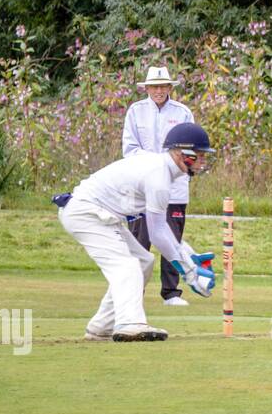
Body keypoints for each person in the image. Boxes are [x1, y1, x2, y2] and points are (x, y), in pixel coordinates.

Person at [57, 124, 217, 341]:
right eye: (199, 155)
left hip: (99, 215)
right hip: (85, 213)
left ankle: (102, 326)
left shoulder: (161, 171)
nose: (202, 162)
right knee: (127, 265)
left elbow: (160, 226)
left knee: (143, 261)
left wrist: (189, 255)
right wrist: (189, 271)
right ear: (183, 155)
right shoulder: (159, 177)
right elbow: (157, 233)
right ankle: (129, 323)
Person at [123, 66, 195, 307]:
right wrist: (155, 167)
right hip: (142, 187)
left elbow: (189, 149)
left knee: (171, 238)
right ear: (147, 88)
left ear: (170, 88)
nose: (159, 91)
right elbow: (130, 150)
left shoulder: (182, 112)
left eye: (163, 86)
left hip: (174, 187)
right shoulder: (136, 111)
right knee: (139, 240)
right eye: (155, 86)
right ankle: (134, 291)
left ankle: (171, 292)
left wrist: (170, 169)